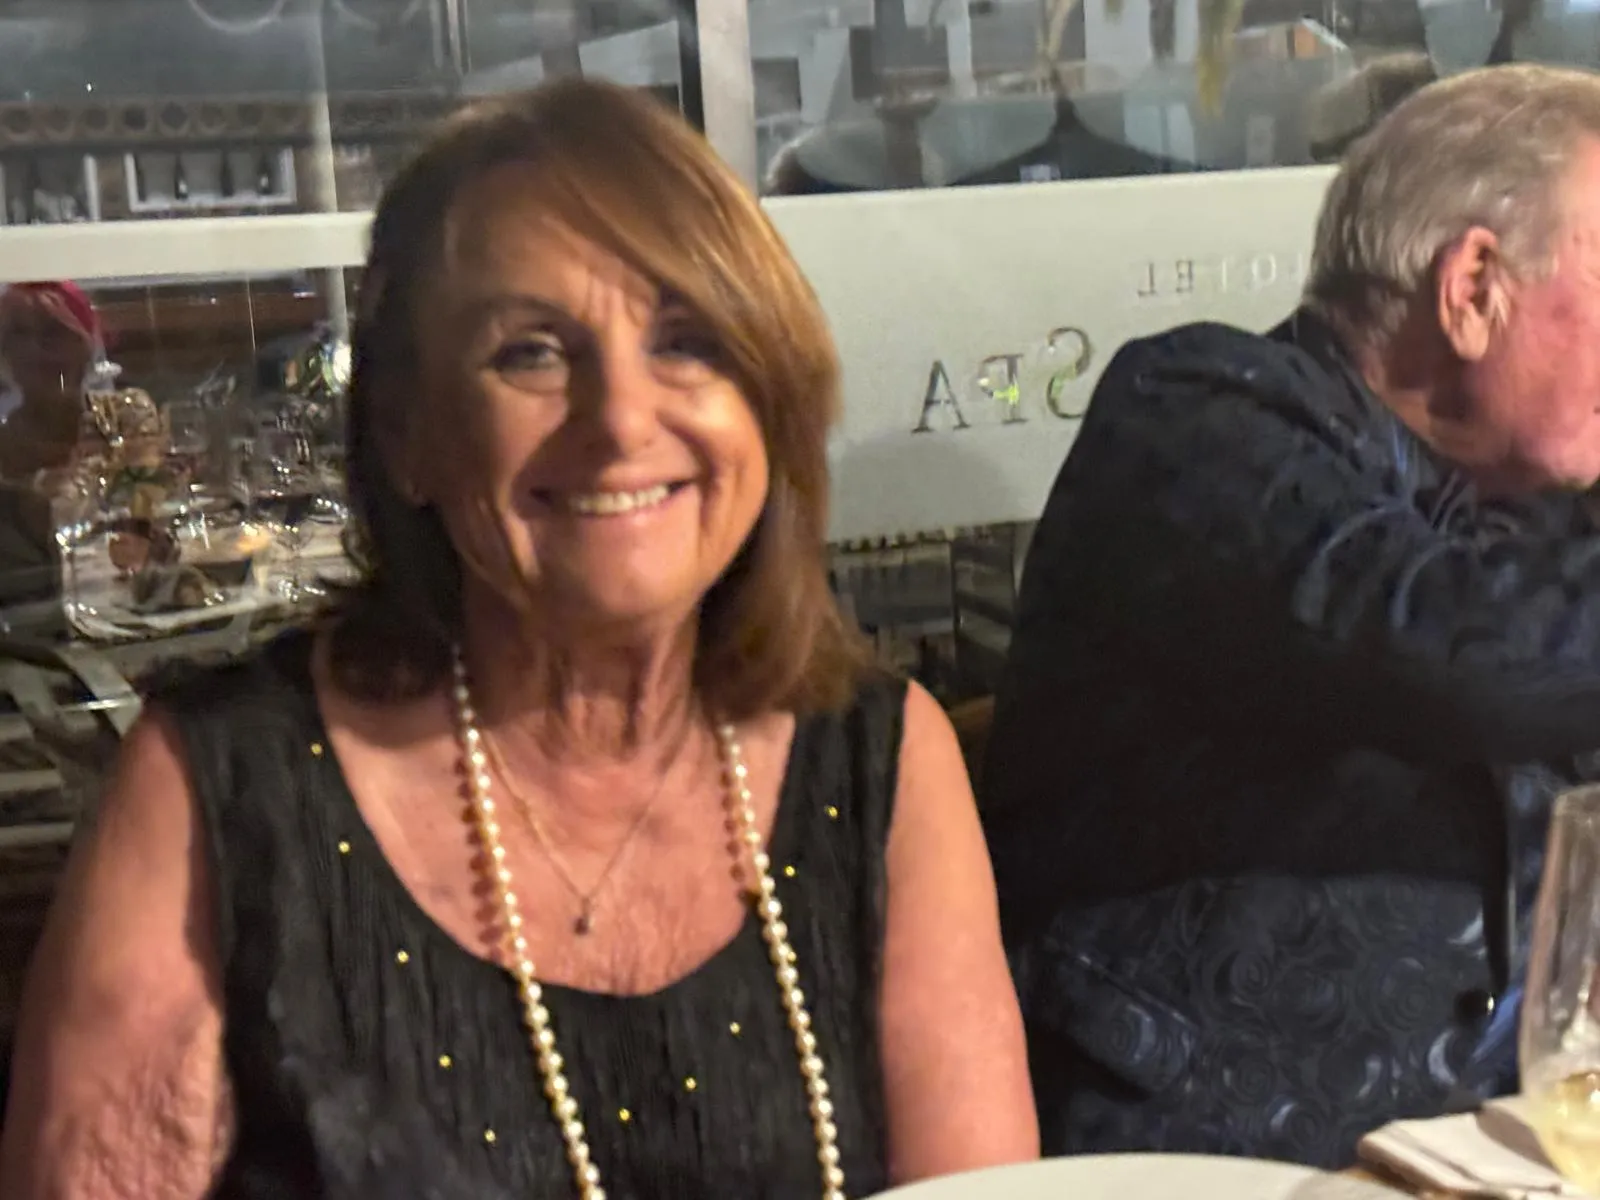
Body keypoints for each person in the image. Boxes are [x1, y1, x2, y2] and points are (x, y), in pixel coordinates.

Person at [0, 80, 1037, 1198]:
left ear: (768, 405)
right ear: (408, 433)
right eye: (532, 353)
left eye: (688, 342)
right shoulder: (216, 791)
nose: (622, 422)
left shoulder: (883, 761)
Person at [981, 63, 1600, 1170]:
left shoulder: (1537, 500)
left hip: (1500, 1150)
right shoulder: (1193, 413)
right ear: (1472, 288)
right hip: (1205, 1167)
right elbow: (1449, 648)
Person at [0, 281, 98, 482]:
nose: (34, 348)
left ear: (83, 344)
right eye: (19, 332)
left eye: (52, 331)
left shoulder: (123, 417)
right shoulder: (5, 448)